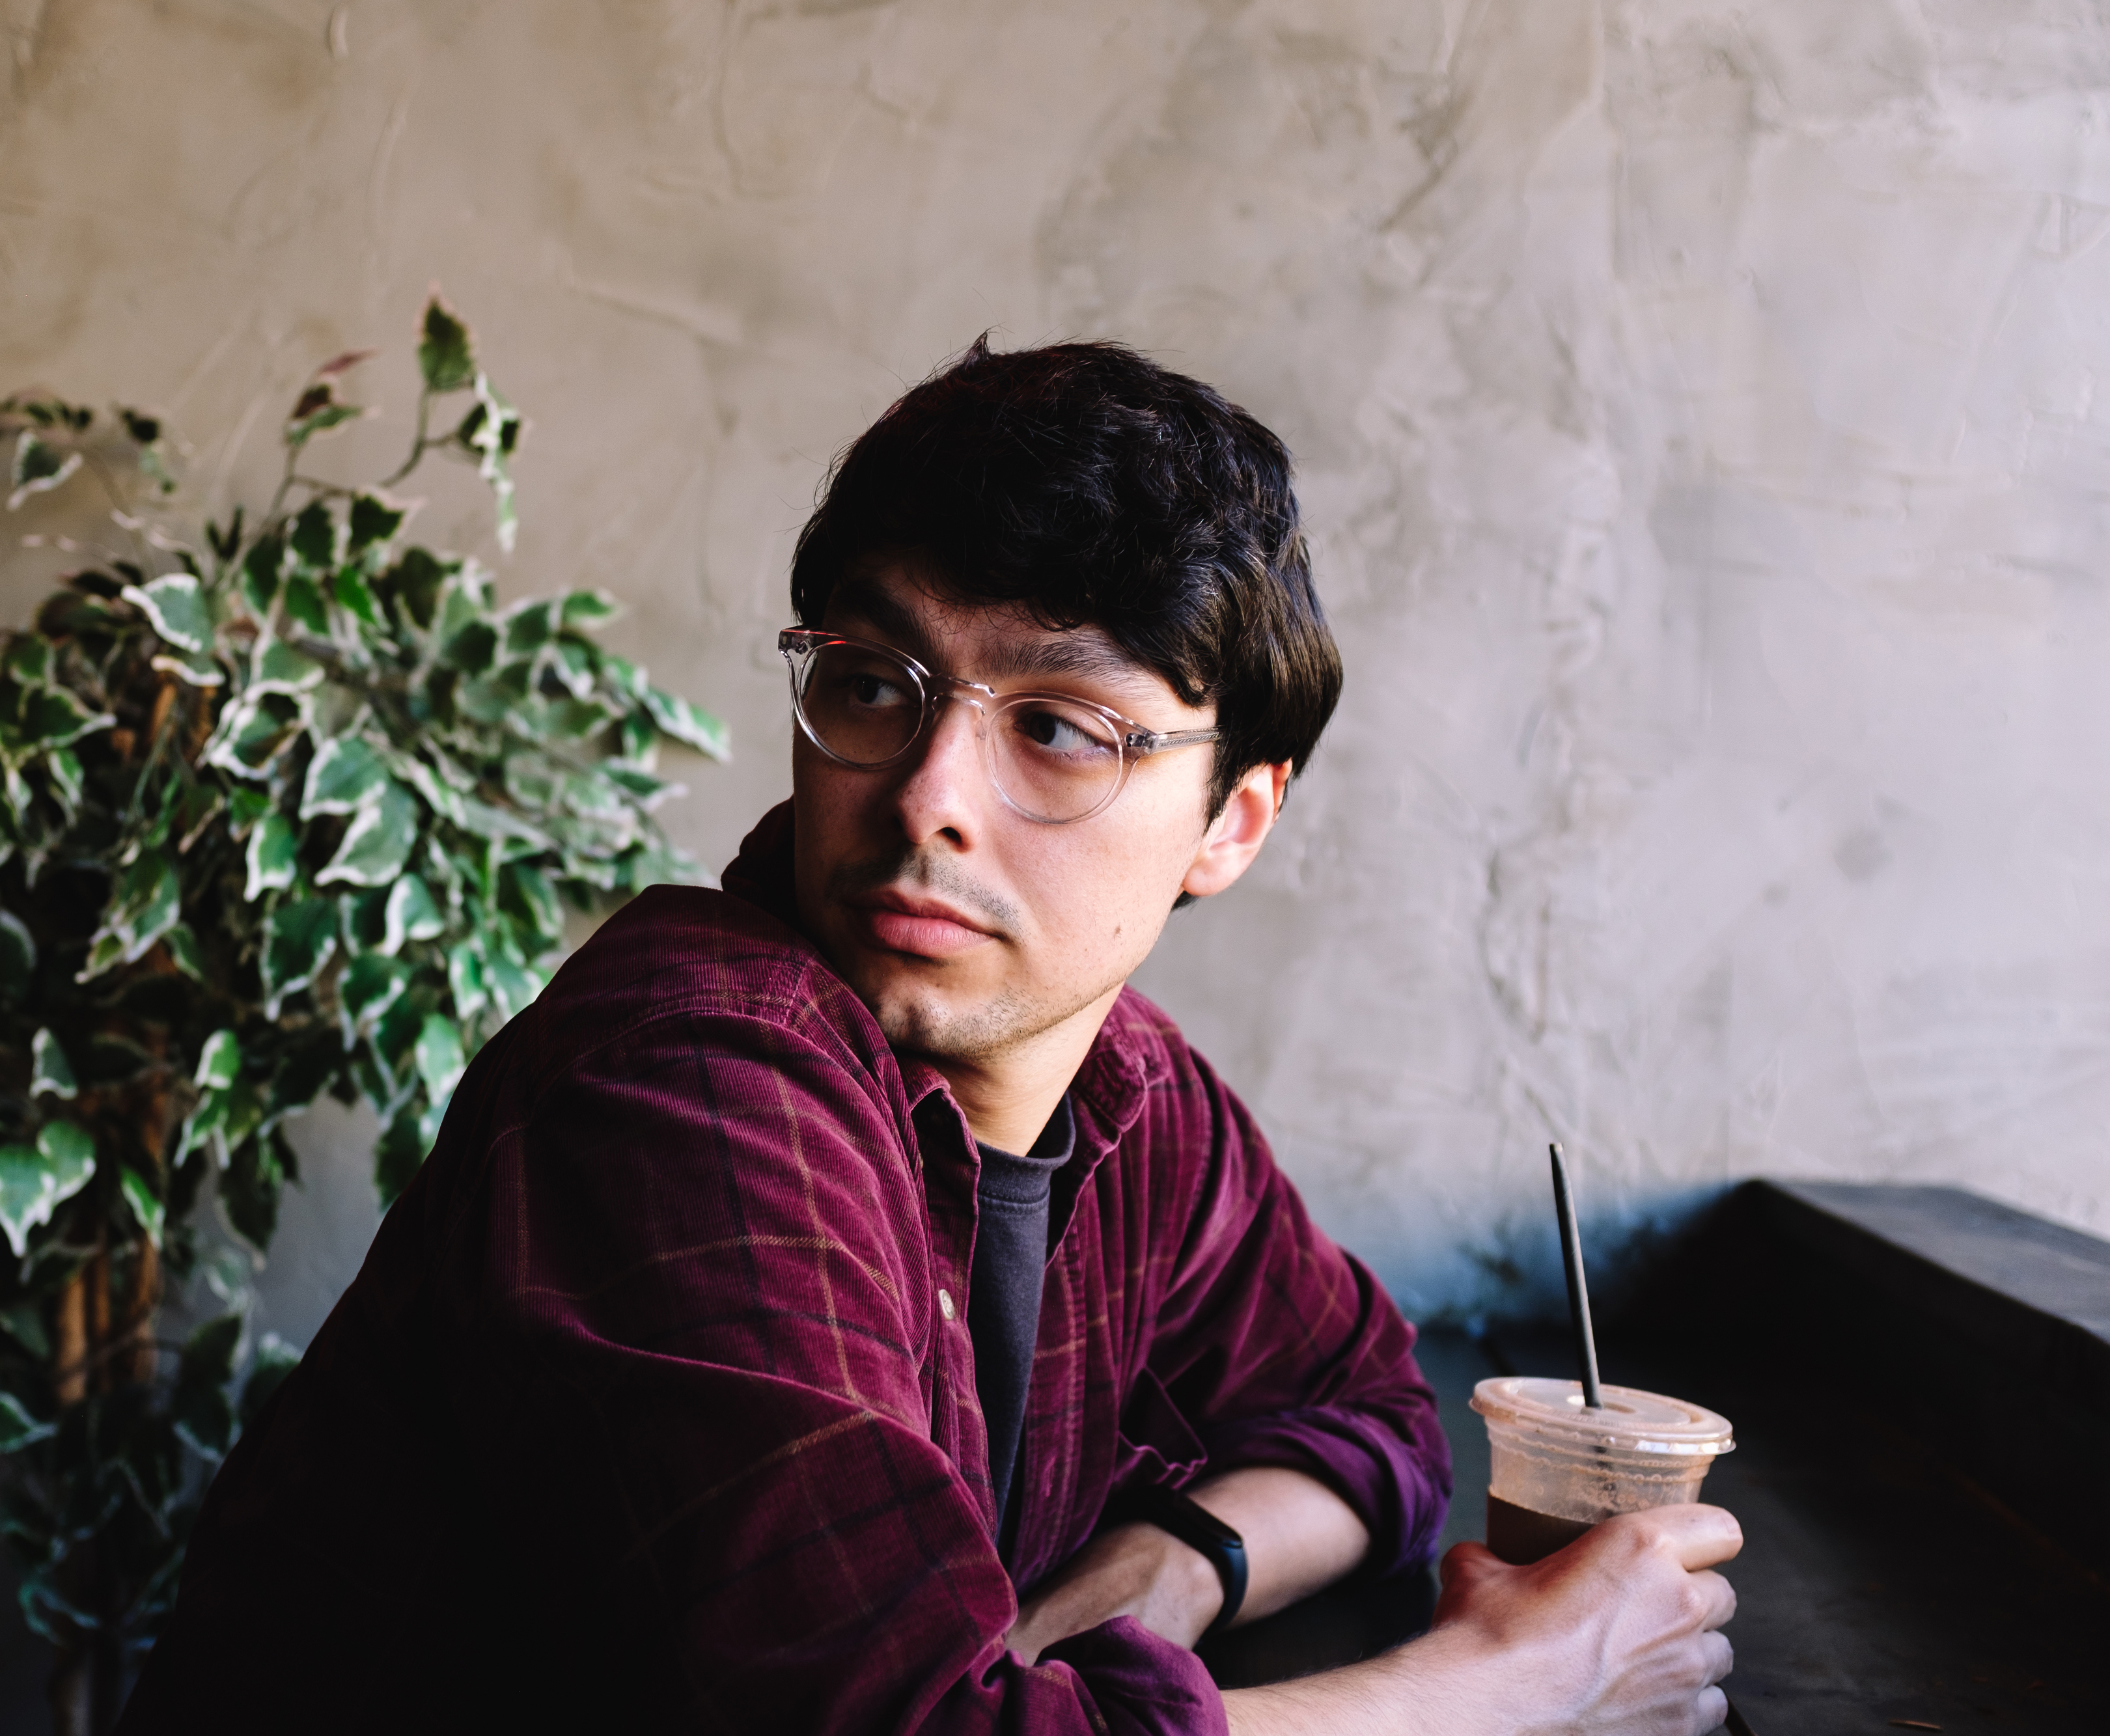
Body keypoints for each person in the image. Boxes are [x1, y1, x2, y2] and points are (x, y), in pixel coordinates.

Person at [118, 340, 1741, 1734]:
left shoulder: (1121, 1088)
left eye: (1054, 726)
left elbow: (1365, 1404)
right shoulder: (686, 1081)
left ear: (1227, 822)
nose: (925, 800)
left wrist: (1163, 1567)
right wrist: (1500, 1685)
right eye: (875, 681)